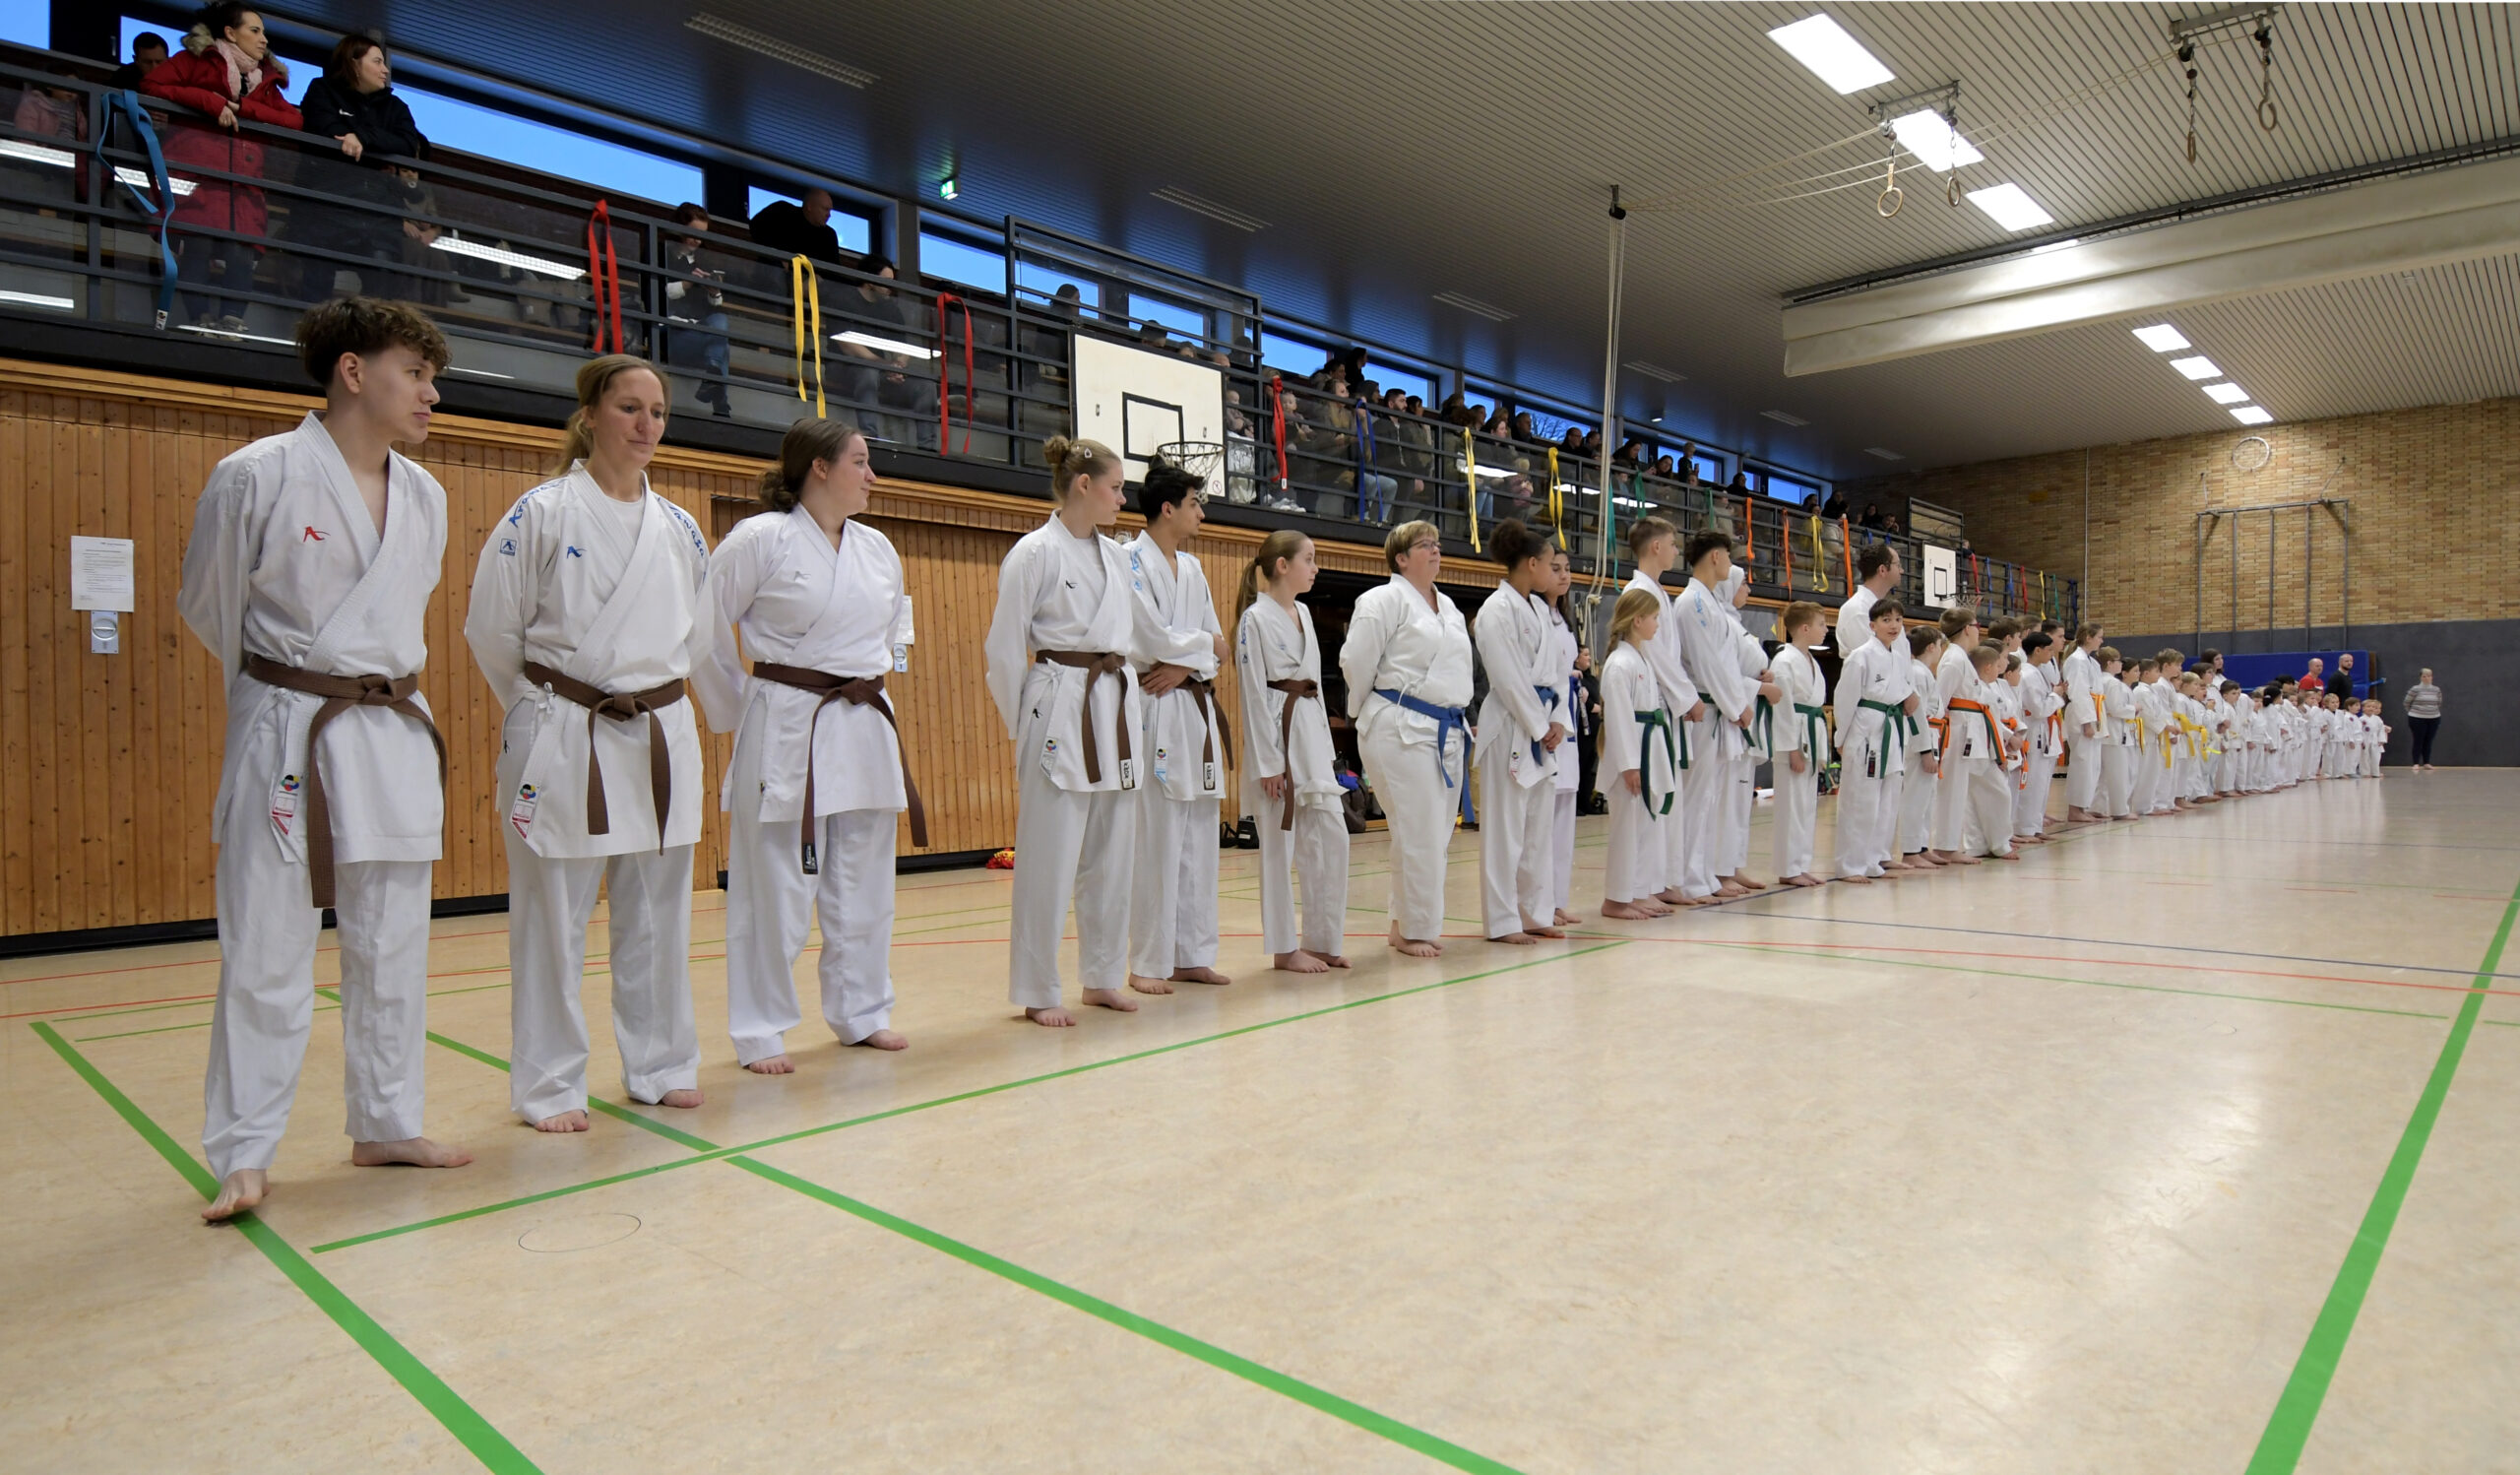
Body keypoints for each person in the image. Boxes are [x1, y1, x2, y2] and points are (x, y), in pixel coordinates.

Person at [175, 298, 470, 1223]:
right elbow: (210, 607)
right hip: (292, 724)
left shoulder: (426, 495)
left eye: (431, 378)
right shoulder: (256, 475)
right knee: (267, 946)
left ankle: (386, 1121)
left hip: (391, 727)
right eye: (414, 373)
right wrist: (289, 685)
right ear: (352, 371)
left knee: (393, 944)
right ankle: (243, 1153)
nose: (430, 394)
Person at [465, 355, 711, 1130]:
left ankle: (662, 1063)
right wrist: (545, 710)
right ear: (590, 416)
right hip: (565, 728)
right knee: (552, 916)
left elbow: (698, 639)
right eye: (630, 408)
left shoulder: (679, 527)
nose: (646, 425)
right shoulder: (539, 513)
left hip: (659, 730)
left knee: (660, 913)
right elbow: (490, 630)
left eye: (658, 412)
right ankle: (549, 1084)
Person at [692, 417, 915, 1073]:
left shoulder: (878, 548)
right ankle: (760, 1028)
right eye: (860, 461)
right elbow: (705, 630)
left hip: (863, 719)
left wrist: (866, 681)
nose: (872, 475)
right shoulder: (758, 539)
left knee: (865, 885)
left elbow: (892, 634)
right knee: (777, 887)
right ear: (819, 467)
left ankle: (863, 1011)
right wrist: (741, 707)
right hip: (790, 720)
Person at [985, 437, 1146, 1025]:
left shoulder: (1117, 557)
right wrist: (1023, 724)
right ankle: (1038, 987)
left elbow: (1139, 633)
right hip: (1058, 700)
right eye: (1116, 487)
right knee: (1050, 855)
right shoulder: (1034, 552)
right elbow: (1004, 648)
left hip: (1113, 700)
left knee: (1112, 851)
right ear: (1084, 485)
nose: (1122, 499)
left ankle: (1102, 976)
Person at [1124, 458, 1232, 995]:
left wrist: (1187, 665)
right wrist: (1197, 650)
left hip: (1193, 704)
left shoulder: (1191, 568)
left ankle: (1192, 954)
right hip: (1153, 704)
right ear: (1167, 509)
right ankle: (1148, 961)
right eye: (1195, 504)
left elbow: (1221, 646)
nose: (1202, 513)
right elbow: (1149, 639)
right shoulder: (1129, 561)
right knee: (1157, 840)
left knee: (1199, 837)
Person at [1342, 520, 1474, 958]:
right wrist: (1365, 710)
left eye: (1437, 544)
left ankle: (1406, 924)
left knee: (1434, 834)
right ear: (1400, 558)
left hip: (1446, 729)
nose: (1435, 550)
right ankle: (1414, 930)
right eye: (1424, 545)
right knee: (1418, 831)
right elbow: (1356, 661)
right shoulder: (1381, 600)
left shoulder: (1448, 607)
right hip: (1398, 724)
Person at [145, 5, 302, 332]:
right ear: (230, 33)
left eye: (263, 32)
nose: (264, 39)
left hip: (242, 185)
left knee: (243, 254)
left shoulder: (265, 79)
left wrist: (243, 108)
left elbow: (294, 121)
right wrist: (210, 102)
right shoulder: (195, 60)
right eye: (255, 31)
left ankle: (232, 322)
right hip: (199, 178)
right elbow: (151, 86)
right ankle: (199, 320)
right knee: (197, 246)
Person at [1235, 531, 1350, 973]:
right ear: (1282, 566)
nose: (1316, 568)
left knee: (1331, 837)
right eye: (1309, 559)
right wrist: (1268, 763)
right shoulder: (1254, 619)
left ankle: (1323, 940)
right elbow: (1251, 694)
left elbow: (1312, 684)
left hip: (1310, 732)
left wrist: (1326, 749)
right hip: (1277, 736)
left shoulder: (1303, 612)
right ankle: (1284, 949)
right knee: (1279, 848)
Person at [292, 35, 430, 304]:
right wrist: (374, 142)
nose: (385, 70)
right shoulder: (322, 90)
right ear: (354, 64)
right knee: (317, 289)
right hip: (328, 209)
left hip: (378, 216)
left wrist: (361, 138)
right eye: (377, 62)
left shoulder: (395, 106)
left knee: (380, 295)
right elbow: (326, 129)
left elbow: (407, 143)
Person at [1621, 517, 1704, 909]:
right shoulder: (1639, 592)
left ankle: (1663, 880)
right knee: (1649, 803)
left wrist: (1681, 698)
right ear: (1656, 546)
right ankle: (1644, 885)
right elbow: (1655, 654)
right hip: (1652, 705)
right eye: (1672, 543)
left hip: (1666, 707)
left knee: (1668, 800)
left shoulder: (1657, 591)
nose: (1676, 551)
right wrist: (1687, 697)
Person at [1673, 531, 1758, 899]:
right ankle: (1688, 879)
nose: (1730, 563)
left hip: (1717, 709)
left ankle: (1705, 875)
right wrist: (1736, 706)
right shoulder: (1692, 602)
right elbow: (1708, 664)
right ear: (1714, 557)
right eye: (1728, 555)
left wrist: (1736, 703)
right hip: (1703, 710)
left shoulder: (1708, 602)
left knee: (1708, 799)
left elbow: (1726, 663)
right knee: (1695, 799)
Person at [1597, 588, 1679, 919]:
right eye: (1655, 618)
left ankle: (1639, 891)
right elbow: (1617, 717)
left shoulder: (1640, 658)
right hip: (1630, 754)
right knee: (1627, 830)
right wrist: (1630, 765)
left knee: (1646, 826)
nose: (1658, 624)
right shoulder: (1620, 663)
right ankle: (1616, 900)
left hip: (1650, 745)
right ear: (1637, 620)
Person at [1833, 599, 1914, 883]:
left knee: (1886, 801)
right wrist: (1841, 737)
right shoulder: (1860, 656)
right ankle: (1850, 865)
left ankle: (1872, 860)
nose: (1893, 626)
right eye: (1886, 620)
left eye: (1898, 620)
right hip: (1865, 727)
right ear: (1872, 625)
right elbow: (1844, 699)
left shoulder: (1898, 658)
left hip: (1891, 727)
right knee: (1860, 800)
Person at [1765, 602, 1831, 887]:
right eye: (1821, 624)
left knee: (1806, 807)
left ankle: (1801, 864)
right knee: (1791, 807)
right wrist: (1791, 748)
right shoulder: (1784, 660)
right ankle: (1788, 868)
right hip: (1794, 737)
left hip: (1811, 733)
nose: (1825, 629)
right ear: (1805, 628)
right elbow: (1782, 708)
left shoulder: (1810, 660)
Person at [1542, 545, 1586, 927]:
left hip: (1567, 718)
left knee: (1563, 820)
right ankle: (1539, 901)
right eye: (1555, 568)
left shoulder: (1563, 619)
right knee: (1542, 820)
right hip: (1546, 720)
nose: (1564, 575)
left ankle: (1557, 899)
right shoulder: (1534, 615)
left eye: (1567, 568)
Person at [1943, 644, 2019, 864]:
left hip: (1979, 745)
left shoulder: (1983, 688)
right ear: (1987, 667)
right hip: (1979, 746)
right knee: (1999, 793)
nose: (2000, 669)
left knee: (1974, 797)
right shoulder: (1981, 690)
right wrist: (2000, 753)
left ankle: (1977, 844)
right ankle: (2000, 843)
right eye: (1997, 665)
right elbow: (1990, 723)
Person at [1924, 606, 1983, 864]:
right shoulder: (1953, 659)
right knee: (1951, 789)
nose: (1979, 631)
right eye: (1977, 626)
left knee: (1958, 789)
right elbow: (1939, 699)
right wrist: (1936, 735)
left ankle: (1950, 843)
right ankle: (1945, 846)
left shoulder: (1960, 657)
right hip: (1955, 730)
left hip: (1965, 728)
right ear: (1968, 628)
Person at [662, 204, 732, 417]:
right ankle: (720, 403)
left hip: (698, 332)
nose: (697, 240)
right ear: (679, 229)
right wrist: (688, 283)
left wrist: (714, 292)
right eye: (693, 234)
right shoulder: (661, 253)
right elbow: (656, 292)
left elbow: (713, 309)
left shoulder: (703, 262)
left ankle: (712, 378)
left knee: (720, 320)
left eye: (702, 236)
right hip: (670, 333)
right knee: (722, 345)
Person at [1896, 625, 1947, 866]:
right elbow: (1916, 715)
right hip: (1919, 741)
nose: (1941, 650)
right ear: (1931, 647)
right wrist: (1925, 750)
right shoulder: (1917, 672)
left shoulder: (1924, 672)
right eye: (1940, 646)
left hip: (1931, 735)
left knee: (1927, 797)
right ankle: (1910, 850)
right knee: (1915, 796)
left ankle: (1922, 845)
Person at [2013, 632, 2063, 843]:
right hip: (2033, 730)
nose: (2052, 653)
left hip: (2043, 729)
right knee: (2032, 781)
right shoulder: (2028, 674)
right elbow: (2038, 708)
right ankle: (2025, 827)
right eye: (2049, 650)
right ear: (2037, 650)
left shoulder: (2036, 672)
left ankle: (2035, 825)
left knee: (2042, 782)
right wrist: (2056, 694)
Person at [2059, 623, 2106, 820]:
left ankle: (2083, 806)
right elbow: (2078, 691)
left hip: (2094, 711)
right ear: (2088, 637)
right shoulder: (2076, 660)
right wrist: (2087, 722)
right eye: (2099, 637)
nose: (2101, 641)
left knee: (2093, 764)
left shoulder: (2091, 661)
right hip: (2081, 714)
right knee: (2083, 762)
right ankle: (2075, 809)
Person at [749, 187, 849, 267]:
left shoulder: (829, 236)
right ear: (810, 206)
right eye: (825, 209)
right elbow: (756, 226)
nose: (829, 215)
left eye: (830, 210)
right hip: (772, 274)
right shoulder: (782, 211)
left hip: (809, 283)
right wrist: (776, 256)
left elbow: (833, 271)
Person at [1834, 543, 1900, 661]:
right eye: (1898, 565)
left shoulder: (1890, 612)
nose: (1902, 570)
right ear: (1882, 570)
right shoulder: (1857, 610)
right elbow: (1872, 660)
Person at [2406, 669, 2442, 769]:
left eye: (2429, 676)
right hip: (2417, 718)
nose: (2427, 678)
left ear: (2432, 677)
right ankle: (2416, 763)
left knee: (2428, 740)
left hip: (2434, 718)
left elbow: (2439, 702)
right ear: (2421, 677)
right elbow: (2407, 703)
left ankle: (2426, 762)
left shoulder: (2436, 689)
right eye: (2424, 676)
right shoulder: (2415, 689)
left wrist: (2431, 711)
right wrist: (2415, 712)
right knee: (2418, 740)